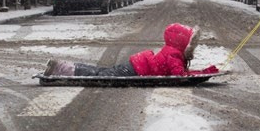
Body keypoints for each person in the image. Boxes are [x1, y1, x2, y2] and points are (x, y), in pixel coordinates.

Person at [43, 23, 219, 77]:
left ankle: (66, 66)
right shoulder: (174, 55)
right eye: (191, 44)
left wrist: (203, 71)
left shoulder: (173, 51)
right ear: (183, 43)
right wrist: (201, 74)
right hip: (135, 70)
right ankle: (66, 69)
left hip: (137, 66)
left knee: (103, 71)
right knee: (102, 75)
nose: (192, 48)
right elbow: (179, 75)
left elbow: (180, 71)